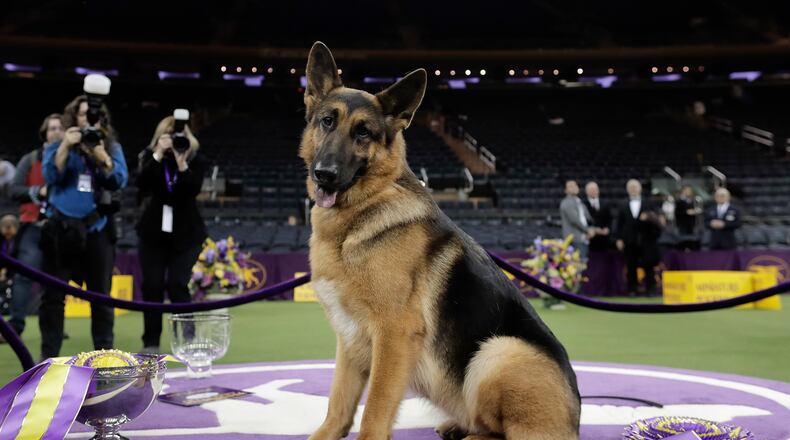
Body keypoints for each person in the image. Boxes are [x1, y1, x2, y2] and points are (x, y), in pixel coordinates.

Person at [39, 91, 128, 359]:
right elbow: (51, 175)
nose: (87, 117)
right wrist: (66, 145)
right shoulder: (57, 144)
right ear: (73, 117)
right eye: (81, 113)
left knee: (101, 299)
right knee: (53, 298)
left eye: (92, 113)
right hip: (61, 231)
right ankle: (48, 358)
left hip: (97, 230)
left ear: (101, 119)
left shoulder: (110, 146)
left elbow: (119, 180)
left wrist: (102, 156)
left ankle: (105, 359)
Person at [136, 115, 206, 353]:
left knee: (178, 284)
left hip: (187, 233)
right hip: (153, 232)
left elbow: (193, 189)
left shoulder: (196, 159)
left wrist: (182, 161)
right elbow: (142, 184)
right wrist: (157, 153)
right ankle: (151, 343)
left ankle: (187, 340)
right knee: (152, 286)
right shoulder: (149, 158)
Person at [6, 114, 64, 335]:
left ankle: (54, 329)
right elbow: (14, 190)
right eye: (51, 129)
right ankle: (15, 327)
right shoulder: (30, 160)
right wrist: (37, 191)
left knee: (58, 283)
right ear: (45, 133)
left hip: (61, 229)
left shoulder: (74, 160)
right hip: (33, 227)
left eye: (60, 128)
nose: (56, 132)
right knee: (24, 276)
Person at [615, 179, 664, 296]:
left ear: (640, 188)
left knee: (649, 266)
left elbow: (658, 222)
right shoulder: (622, 204)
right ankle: (632, 289)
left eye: (635, 187)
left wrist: (648, 217)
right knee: (631, 266)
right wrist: (618, 239)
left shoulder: (649, 203)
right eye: (630, 187)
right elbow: (619, 224)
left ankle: (651, 289)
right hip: (630, 241)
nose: (633, 189)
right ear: (627, 190)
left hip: (647, 240)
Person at [559, 180, 593, 260]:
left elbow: (588, 218)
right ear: (566, 190)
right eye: (570, 186)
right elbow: (574, 220)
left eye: (575, 185)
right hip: (574, 239)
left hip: (583, 238)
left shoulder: (579, 202)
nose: (574, 187)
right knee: (576, 265)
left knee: (583, 263)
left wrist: (592, 229)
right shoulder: (566, 202)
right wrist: (588, 230)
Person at [582, 181, 612, 252]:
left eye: (595, 189)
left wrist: (607, 228)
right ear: (586, 192)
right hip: (589, 238)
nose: (593, 191)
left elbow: (609, 219)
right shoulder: (582, 205)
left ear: (598, 191)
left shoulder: (605, 204)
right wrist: (592, 230)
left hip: (603, 239)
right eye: (591, 190)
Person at [674, 185, 702, 250]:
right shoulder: (678, 201)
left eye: (690, 190)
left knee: (692, 239)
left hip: (692, 223)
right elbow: (677, 212)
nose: (689, 192)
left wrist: (695, 211)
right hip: (682, 223)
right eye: (687, 190)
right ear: (683, 191)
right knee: (683, 240)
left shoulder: (693, 200)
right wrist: (687, 212)